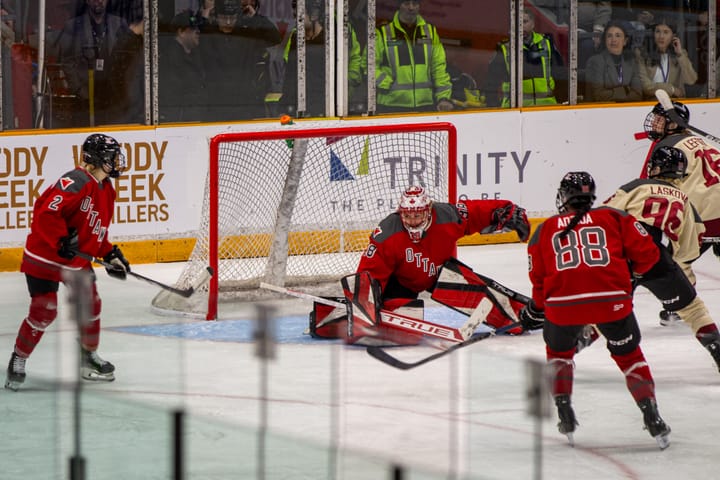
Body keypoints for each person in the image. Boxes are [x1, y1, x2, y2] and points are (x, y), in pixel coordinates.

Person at [521, 171, 671, 449]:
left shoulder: (544, 228)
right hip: (612, 302)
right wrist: (627, 277)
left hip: (562, 307)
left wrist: (536, 309)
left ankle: (564, 410)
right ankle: (652, 415)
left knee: (559, 354)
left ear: (564, 197)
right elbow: (650, 255)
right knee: (629, 357)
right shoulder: (614, 217)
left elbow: (538, 280)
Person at [5, 134, 130, 391]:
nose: (116, 162)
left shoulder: (107, 190)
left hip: (74, 262)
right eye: (111, 157)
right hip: (45, 256)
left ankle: (87, 357)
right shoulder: (75, 181)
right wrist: (61, 240)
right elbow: (46, 212)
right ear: (96, 159)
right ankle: (18, 359)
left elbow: (95, 231)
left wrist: (109, 254)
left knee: (91, 304)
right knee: (44, 309)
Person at [602, 146, 720, 370]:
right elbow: (689, 250)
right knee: (693, 310)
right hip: (657, 257)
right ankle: (716, 348)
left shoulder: (635, 186)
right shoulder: (685, 200)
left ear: (654, 168)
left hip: (623, 256)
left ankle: (573, 347)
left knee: (605, 309)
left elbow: (606, 216)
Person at [200, 0, 280, 120]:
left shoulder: (247, 35)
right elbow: (193, 37)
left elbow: (275, 37)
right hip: (216, 107)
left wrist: (255, 17)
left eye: (232, 18)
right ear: (216, 17)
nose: (228, 22)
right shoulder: (208, 36)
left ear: (238, 17)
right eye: (223, 17)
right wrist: (204, 20)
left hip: (244, 106)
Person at [57, 0, 132, 126]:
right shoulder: (73, 26)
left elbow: (128, 59)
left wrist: (122, 89)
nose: (99, 1)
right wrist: (79, 90)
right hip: (85, 99)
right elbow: (67, 62)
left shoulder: (119, 24)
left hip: (113, 98)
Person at [373, 0, 454, 114]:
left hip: (425, 105)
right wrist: (385, 82)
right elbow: (368, 65)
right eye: (406, 3)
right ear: (399, 5)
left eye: (415, 3)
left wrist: (443, 97)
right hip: (391, 105)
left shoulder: (429, 31)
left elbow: (438, 67)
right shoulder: (383, 32)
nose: (411, 7)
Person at [483, 8, 566, 108]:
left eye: (525, 21)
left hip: (546, 108)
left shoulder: (547, 44)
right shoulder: (505, 48)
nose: (521, 26)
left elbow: (561, 75)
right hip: (514, 109)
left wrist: (563, 101)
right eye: (517, 22)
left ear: (533, 24)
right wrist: (493, 106)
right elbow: (491, 82)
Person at [158, 10, 209, 122]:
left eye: (198, 28)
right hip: (181, 124)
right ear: (180, 32)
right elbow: (172, 98)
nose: (198, 31)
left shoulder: (196, 54)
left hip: (198, 120)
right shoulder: (169, 60)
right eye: (193, 29)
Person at [635, 15, 697, 100]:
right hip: (650, 103)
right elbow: (646, 87)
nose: (661, 36)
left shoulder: (679, 54)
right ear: (653, 33)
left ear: (673, 35)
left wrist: (680, 55)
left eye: (666, 32)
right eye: (658, 32)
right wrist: (672, 89)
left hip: (675, 103)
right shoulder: (641, 53)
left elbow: (691, 80)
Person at [584, 20, 642, 102]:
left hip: (628, 111)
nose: (613, 40)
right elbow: (598, 96)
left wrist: (613, 94)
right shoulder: (595, 61)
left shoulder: (631, 62)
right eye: (609, 36)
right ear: (605, 40)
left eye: (618, 36)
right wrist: (625, 90)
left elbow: (638, 95)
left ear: (625, 41)